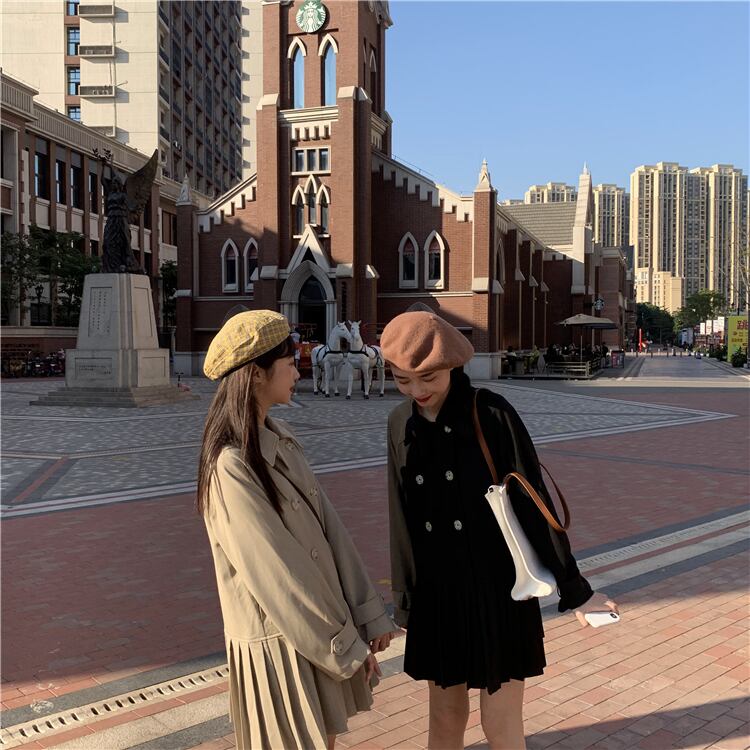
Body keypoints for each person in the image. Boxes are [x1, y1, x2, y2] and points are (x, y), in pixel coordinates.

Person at [380, 311, 618, 750]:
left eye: (428, 377)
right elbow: (402, 515)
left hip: (497, 588)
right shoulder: (400, 423)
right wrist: (406, 602)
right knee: (444, 717)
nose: (417, 391)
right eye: (402, 380)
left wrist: (576, 589)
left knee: (501, 721)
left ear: (452, 364)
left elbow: (533, 501)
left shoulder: (490, 412)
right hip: (438, 592)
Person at [197, 310, 397, 750]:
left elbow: (330, 530)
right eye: (289, 362)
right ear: (255, 374)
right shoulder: (230, 465)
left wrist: (366, 611)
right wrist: (343, 644)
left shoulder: (279, 437)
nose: (298, 371)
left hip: (315, 630)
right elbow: (277, 573)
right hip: (281, 641)